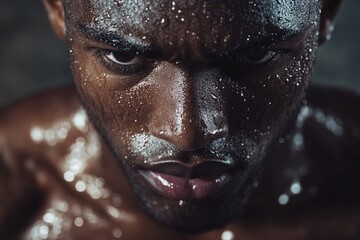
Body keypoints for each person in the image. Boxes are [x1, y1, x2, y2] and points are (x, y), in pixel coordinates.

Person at [0, 0, 359, 239]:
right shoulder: (16, 182)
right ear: (59, 8)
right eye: (123, 56)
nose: (188, 133)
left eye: (255, 55)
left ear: (325, 11)